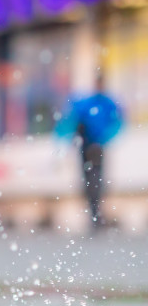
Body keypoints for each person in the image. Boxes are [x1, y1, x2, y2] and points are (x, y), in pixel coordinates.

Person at [57, 78, 123, 230]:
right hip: (91, 146)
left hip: (92, 146)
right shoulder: (100, 103)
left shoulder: (94, 103)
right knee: (93, 179)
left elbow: (71, 122)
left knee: (93, 179)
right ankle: (95, 212)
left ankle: (95, 212)